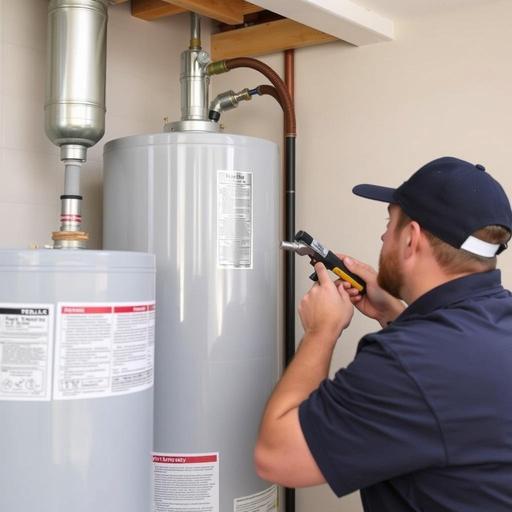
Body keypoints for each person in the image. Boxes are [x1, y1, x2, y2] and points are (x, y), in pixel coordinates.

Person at [254, 156, 512, 511]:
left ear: (411, 238)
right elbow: (450, 380)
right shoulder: (495, 323)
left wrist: (321, 331)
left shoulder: (408, 361)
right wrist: (393, 313)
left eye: (389, 223)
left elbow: (276, 457)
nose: (382, 235)